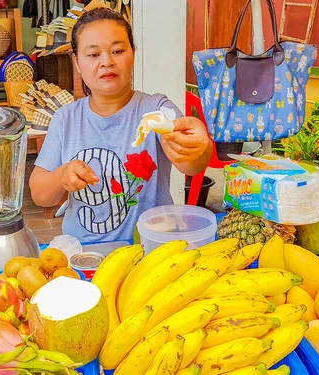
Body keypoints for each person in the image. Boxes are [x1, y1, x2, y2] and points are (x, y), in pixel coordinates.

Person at [30, 7, 212, 243]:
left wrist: (199, 146)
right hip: (85, 254)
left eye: (117, 51)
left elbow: (192, 164)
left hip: (152, 249)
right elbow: (40, 195)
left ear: (133, 54)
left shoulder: (156, 110)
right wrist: (62, 176)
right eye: (93, 55)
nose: (107, 62)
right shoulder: (66, 119)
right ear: (76, 62)